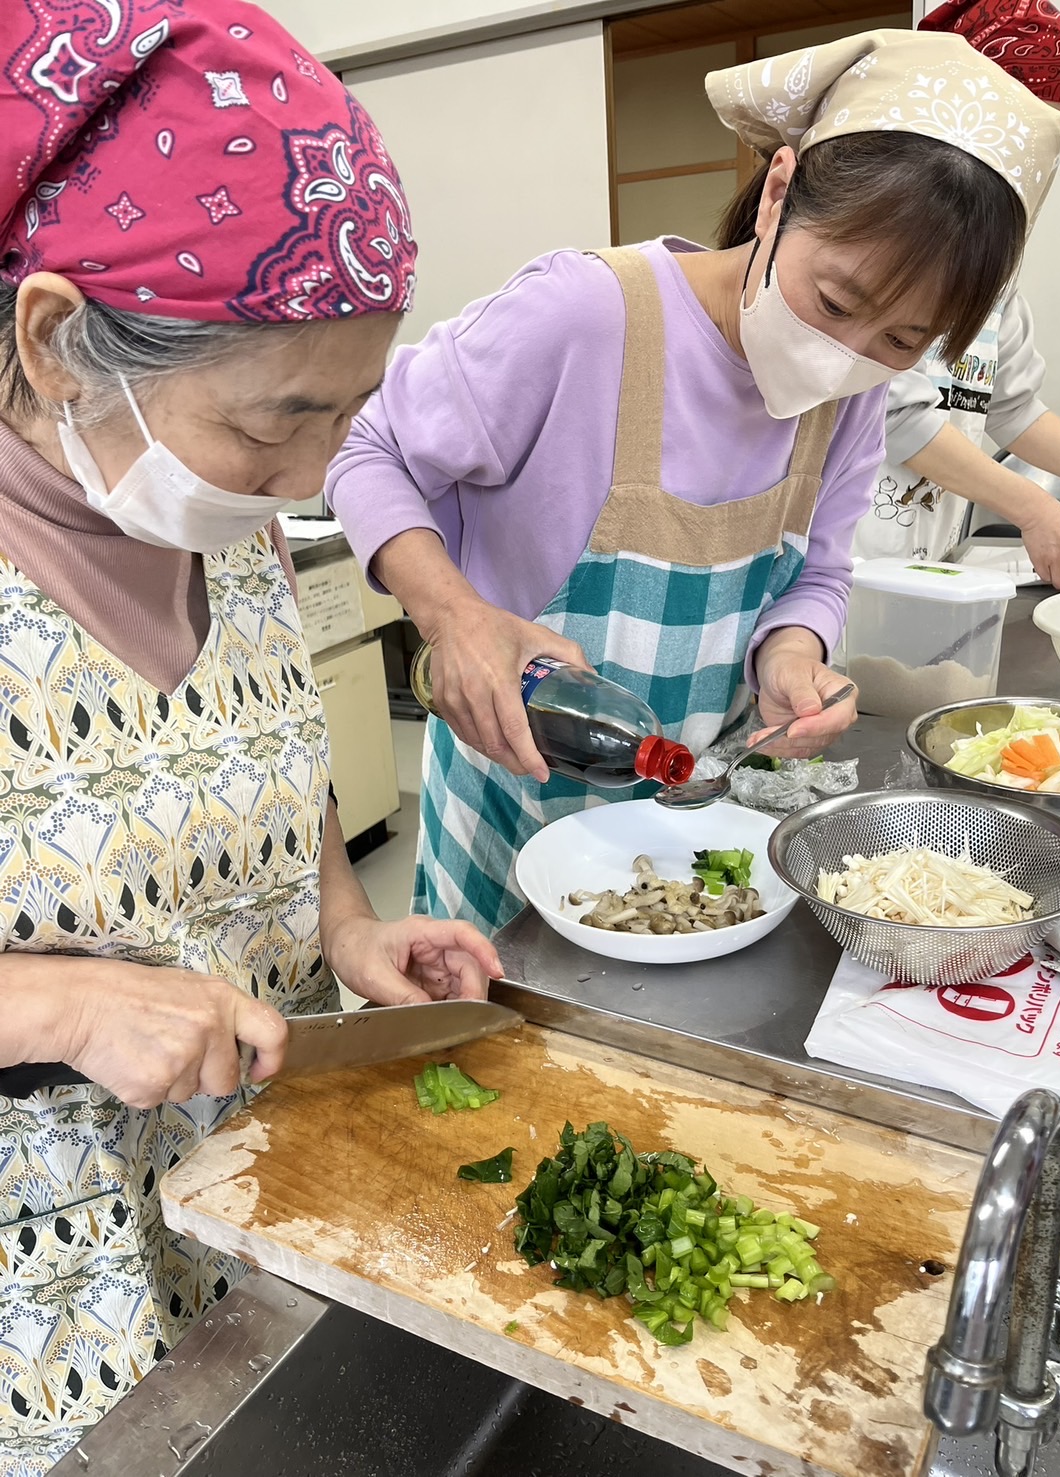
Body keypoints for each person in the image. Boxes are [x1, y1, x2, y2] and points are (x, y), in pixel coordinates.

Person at [0, 2, 499, 1468]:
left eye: (342, 419)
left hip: (248, 1230)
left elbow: (279, 804)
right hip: (46, 1330)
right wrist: (58, 1008)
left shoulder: (231, 527)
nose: (304, 476)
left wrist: (347, 930)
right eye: (273, 423)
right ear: (56, 341)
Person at [327, 29, 1060, 935]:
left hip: (685, 829)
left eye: (902, 343)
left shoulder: (857, 399)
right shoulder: (587, 317)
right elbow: (366, 445)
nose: (846, 359)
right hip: (511, 809)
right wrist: (451, 616)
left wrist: (792, 656)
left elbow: (820, 574)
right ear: (779, 192)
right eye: (835, 303)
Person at [853, 0, 1060, 587]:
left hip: (929, 558)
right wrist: (1033, 506)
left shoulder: (994, 257)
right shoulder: (889, 229)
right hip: (845, 558)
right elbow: (891, 409)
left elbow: (1013, 409)